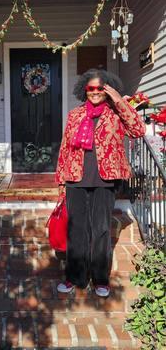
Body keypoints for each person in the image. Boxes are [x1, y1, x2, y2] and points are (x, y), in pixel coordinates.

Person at [55, 68, 146, 297]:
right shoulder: (75, 115)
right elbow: (65, 147)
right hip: (76, 177)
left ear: (107, 90)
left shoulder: (115, 113)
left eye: (100, 89)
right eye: (91, 89)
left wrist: (118, 100)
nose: (95, 93)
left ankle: (100, 279)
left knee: (102, 229)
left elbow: (138, 129)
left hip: (105, 179)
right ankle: (75, 276)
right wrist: (60, 180)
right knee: (77, 230)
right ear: (84, 90)